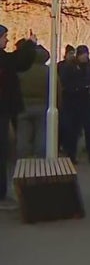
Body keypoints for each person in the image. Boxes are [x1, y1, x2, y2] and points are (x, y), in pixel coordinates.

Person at [0, 25, 46, 208]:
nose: (7, 40)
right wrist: (29, 44)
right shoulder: (4, 60)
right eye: (4, 36)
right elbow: (18, 62)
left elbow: (18, 62)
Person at [61, 44, 90, 164]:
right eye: (82, 54)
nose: (85, 57)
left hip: (88, 102)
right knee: (73, 130)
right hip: (73, 102)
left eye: (86, 54)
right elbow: (66, 84)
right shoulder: (70, 68)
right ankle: (71, 154)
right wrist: (79, 88)